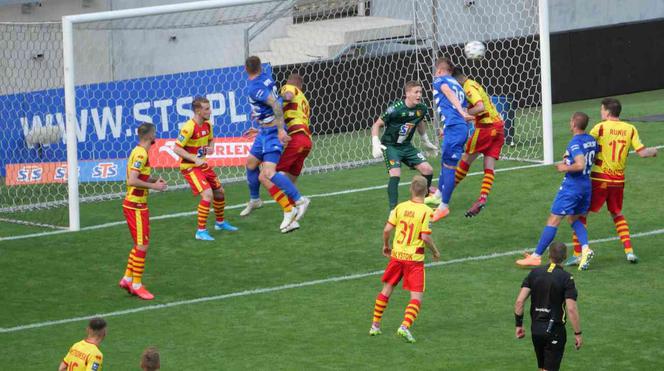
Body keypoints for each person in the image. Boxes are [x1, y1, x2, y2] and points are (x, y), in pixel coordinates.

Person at [568, 98, 657, 266]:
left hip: (599, 179)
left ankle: (579, 253)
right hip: (618, 181)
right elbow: (643, 153)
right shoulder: (630, 129)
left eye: (602, 110)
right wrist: (654, 151)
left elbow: (585, 143)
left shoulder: (600, 128)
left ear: (607, 112)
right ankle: (629, 252)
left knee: (581, 214)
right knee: (617, 213)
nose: (601, 113)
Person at [516, 113, 597, 270]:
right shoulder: (591, 140)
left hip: (572, 187)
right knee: (573, 219)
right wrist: (568, 159)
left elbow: (580, 164)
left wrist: (564, 167)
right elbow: (589, 158)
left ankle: (536, 256)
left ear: (574, 123)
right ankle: (586, 249)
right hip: (586, 185)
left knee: (553, 220)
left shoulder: (575, 143)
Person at [241, 56, 310, 231]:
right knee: (251, 164)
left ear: (245, 68)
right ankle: (256, 200)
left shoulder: (263, 87)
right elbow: (274, 102)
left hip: (276, 134)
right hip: (272, 133)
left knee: (266, 175)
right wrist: (260, 117)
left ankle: (296, 203)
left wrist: (280, 129)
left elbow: (279, 101)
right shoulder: (267, 78)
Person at [368, 175, 441, 343]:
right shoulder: (427, 212)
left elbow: (387, 230)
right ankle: (404, 327)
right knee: (416, 297)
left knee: (386, 289)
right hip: (414, 260)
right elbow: (425, 237)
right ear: (427, 192)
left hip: (397, 255)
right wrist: (435, 252)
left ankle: (375, 326)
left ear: (411, 189)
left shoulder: (399, 208)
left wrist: (386, 245)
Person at [173, 96, 237, 241]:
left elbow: (211, 139)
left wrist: (211, 148)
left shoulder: (208, 125)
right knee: (207, 194)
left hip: (203, 165)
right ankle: (200, 231)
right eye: (206, 109)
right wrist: (194, 158)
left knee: (220, 192)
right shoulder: (189, 127)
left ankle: (220, 223)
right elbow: (176, 148)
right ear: (198, 111)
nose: (210, 111)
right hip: (190, 167)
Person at [514, 242, 583, 371]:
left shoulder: (534, 273)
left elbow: (519, 302)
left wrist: (519, 325)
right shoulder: (567, 278)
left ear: (549, 255)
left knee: (542, 368)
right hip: (555, 330)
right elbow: (571, 309)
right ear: (565, 256)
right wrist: (578, 333)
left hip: (536, 330)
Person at [119, 123, 168, 300]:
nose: (156, 136)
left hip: (136, 204)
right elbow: (132, 180)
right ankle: (137, 284)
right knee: (142, 245)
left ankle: (127, 278)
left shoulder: (138, 151)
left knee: (139, 243)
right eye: (154, 133)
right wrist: (154, 186)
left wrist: (154, 179)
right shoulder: (141, 153)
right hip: (135, 205)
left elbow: (138, 176)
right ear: (149, 136)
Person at [370, 80, 437, 210]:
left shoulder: (421, 108)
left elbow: (420, 122)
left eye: (420, 92)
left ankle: (422, 201)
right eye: (416, 92)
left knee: (428, 170)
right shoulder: (395, 109)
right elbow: (376, 124)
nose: (419, 95)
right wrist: (375, 142)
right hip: (391, 146)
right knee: (395, 174)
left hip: (406, 146)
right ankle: (393, 210)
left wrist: (425, 140)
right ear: (407, 94)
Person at [450, 69, 505, 217]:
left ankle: (443, 195)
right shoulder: (473, 83)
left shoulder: (467, 87)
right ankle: (482, 198)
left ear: (457, 80)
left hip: (486, 129)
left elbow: (480, 107)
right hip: (499, 127)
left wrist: (465, 112)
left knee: (466, 160)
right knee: (489, 166)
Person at [429, 57, 474, 222]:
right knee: (445, 161)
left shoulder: (441, 81)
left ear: (440, 71)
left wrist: (461, 114)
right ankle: (438, 195)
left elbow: (447, 92)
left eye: (436, 71)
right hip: (454, 128)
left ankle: (443, 207)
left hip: (456, 129)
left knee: (449, 166)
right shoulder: (458, 86)